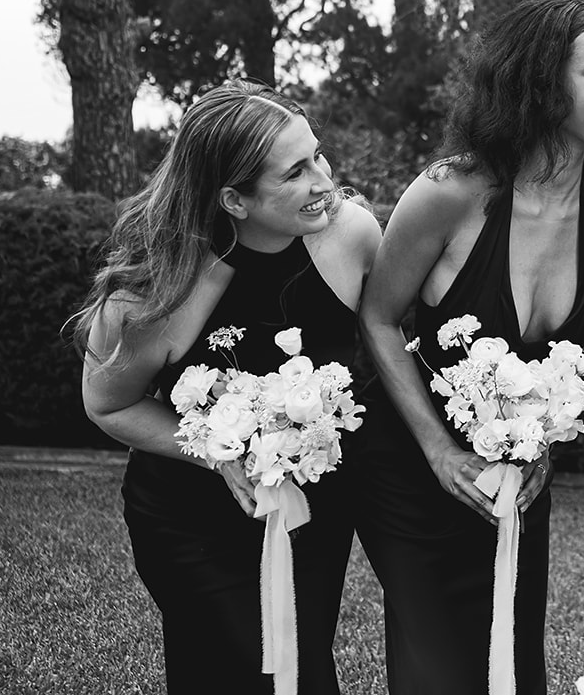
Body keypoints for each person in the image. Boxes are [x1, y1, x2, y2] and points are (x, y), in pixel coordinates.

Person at [358, 0, 584, 695]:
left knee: (511, 666)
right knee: (438, 672)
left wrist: (541, 444)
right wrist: (439, 449)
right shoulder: (449, 191)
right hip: (413, 471)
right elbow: (379, 319)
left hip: (518, 477)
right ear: (540, 79)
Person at [78, 82, 381, 695]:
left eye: (318, 156)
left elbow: (385, 350)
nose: (324, 181)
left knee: (302, 664)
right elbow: (108, 404)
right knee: (243, 672)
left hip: (313, 516)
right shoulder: (155, 292)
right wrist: (220, 455)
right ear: (233, 200)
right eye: (295, 172)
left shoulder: (350, 235)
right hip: (192, 521)